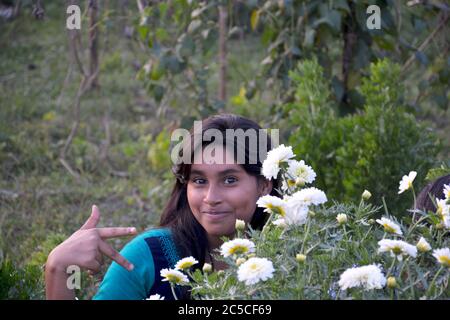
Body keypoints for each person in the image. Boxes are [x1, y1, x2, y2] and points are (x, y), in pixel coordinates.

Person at [45, 114, 281, 300]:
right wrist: (59, 268)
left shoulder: (299, 251)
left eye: (229, 180)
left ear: (264, 185)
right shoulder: (148, 256)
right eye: (199, 181)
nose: (211, 197)